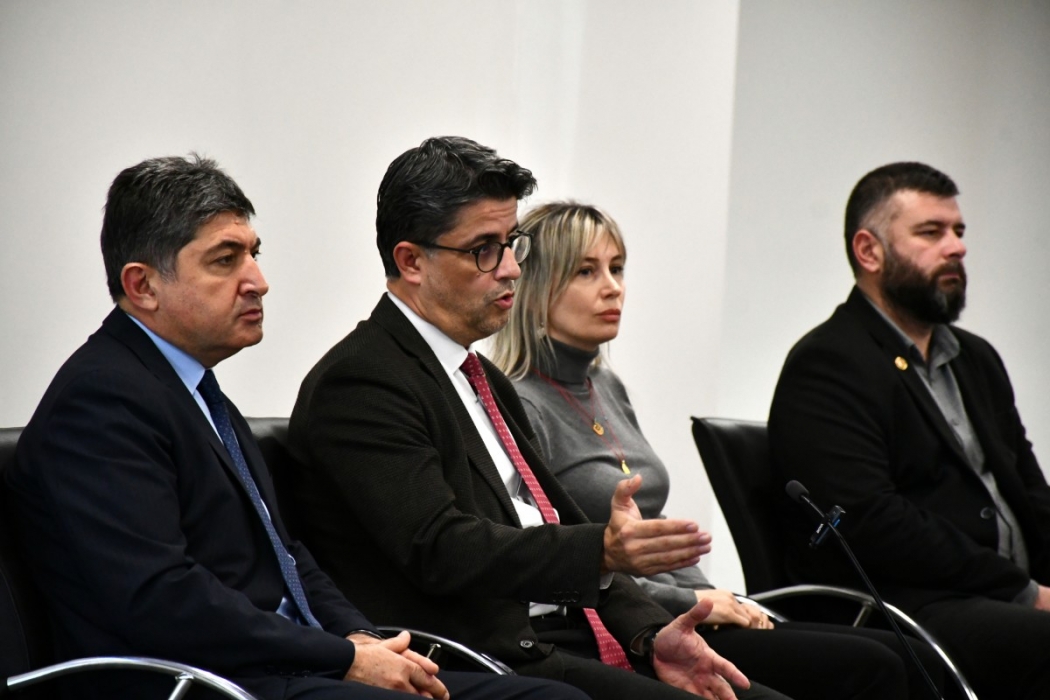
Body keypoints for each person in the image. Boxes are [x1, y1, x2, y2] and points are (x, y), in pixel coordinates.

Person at [4, 154, 587, 700]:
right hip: (205, 682)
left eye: (253, 254)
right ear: (142, 286)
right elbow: (163, 598)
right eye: (225, 260)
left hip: (282, 666)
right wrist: (340, 656)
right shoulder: (102, 402)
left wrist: (363, 640)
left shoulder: (190, 390)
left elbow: (286, 556)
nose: (258, 280)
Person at [286, 136, 784, 700]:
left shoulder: (479, 376)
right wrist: (600, 550)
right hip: (482, 658)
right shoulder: (362, 381)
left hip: (560, 637)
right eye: (484, 250)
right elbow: (439, 548)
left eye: (511, 244)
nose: (511, 270)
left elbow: (560, 522)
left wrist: (651, 634)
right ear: (411, 261)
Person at [489, 200, 948, 700]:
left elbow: (658, 536)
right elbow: (559, 563)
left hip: (691, 611)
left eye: (617, 268)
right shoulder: (521, 404)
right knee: (873, 666)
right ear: (535, 287)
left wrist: (713, 596)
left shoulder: (606, 386)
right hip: (636, 627)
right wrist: (698, 601)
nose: (613, 287)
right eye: (586, 271)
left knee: (917, 656)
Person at [768, 161, 1050, 700]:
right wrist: (1022, 590)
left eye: (958, 231)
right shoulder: (830, 362)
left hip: (999, 596)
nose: (957, 247)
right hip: (910, 606)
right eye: (931, 232)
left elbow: (1029, 494)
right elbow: (870, 521)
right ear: (869, 251)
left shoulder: (975, 359)